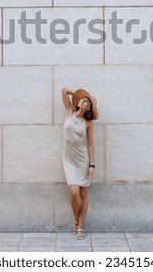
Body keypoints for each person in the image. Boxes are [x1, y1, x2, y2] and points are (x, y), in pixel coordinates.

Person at [61, 86, 98, 239]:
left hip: (82, 160)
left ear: (89, 107)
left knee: (83, 193)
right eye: (83, 99)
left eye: (87, 101)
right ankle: (76, 217)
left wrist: (92, 164)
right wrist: (82, 93)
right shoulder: (69, 110)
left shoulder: (88, 122)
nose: (84, 101)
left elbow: (90, 144)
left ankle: (80, 227)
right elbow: (64, 90)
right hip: (68, 159)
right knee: (74, 191)